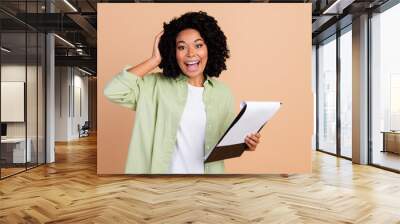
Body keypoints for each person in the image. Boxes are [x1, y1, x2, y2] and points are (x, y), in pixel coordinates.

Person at [104, 11, 261, 174]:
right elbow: (114, 91)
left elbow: (225, 143)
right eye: (182, 47)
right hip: (162, 187)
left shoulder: (223, 92)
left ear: (210, 48)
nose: (191, 54)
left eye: (198, 45)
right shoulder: (155, 85)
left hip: (208, 185)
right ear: (173, 52)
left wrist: (245, 144)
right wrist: (154, 60)